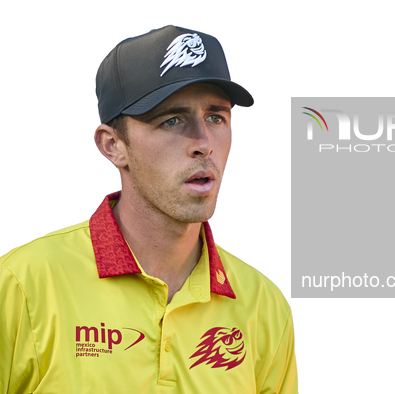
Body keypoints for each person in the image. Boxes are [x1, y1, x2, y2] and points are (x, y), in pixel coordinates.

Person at [0, 25, 297, 393]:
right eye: (171, 120)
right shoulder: (22, 285)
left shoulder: (262, 306)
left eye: (216, 117)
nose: (204, 143)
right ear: (113, 146)